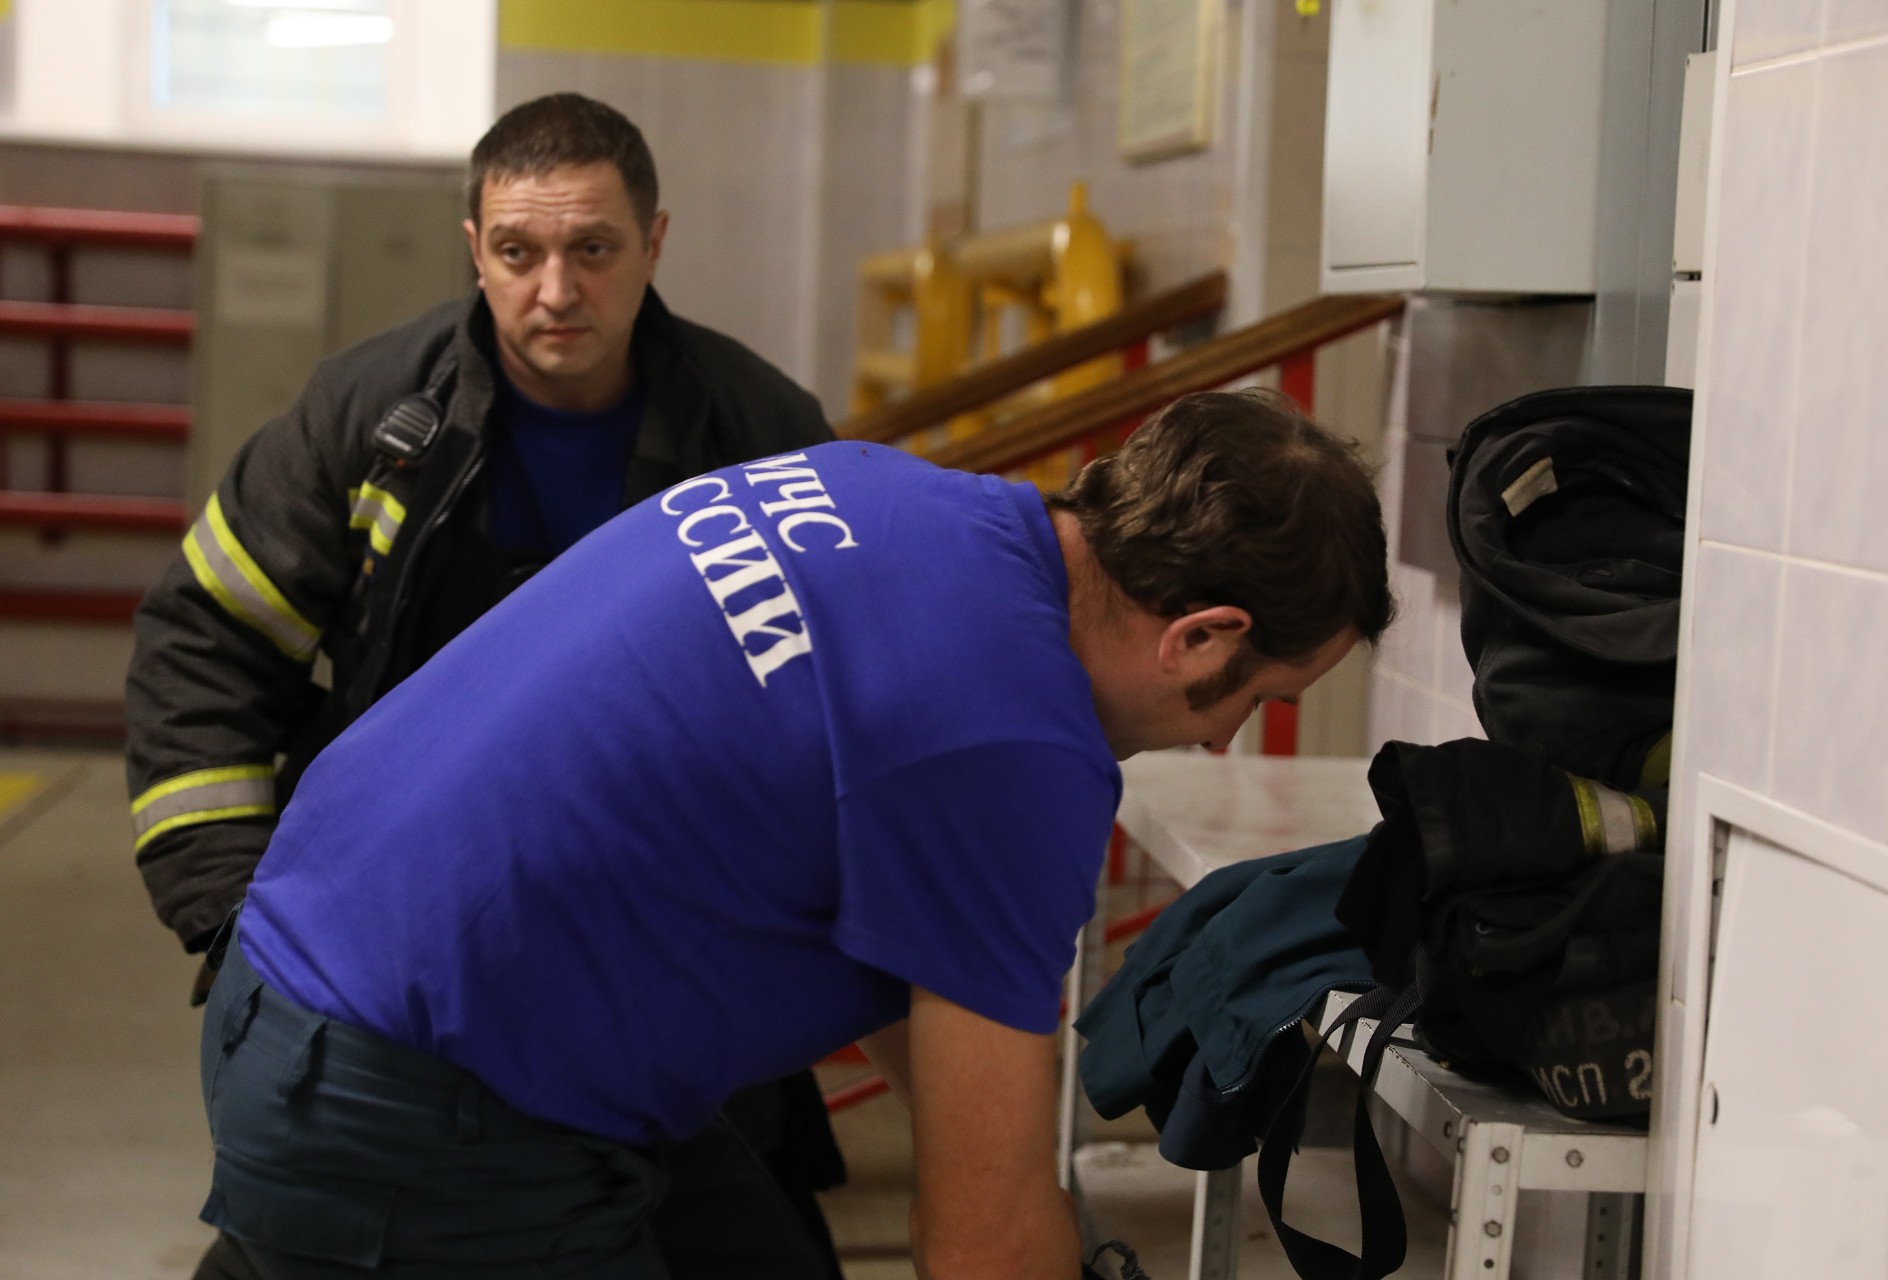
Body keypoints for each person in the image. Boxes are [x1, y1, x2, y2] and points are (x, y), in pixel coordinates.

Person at [193, 388, 1394, 1279]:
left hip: (314, 975)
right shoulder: (1018, 746)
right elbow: (976, 1247)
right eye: (1258, 696)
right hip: (402, 1099)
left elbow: (922, 973)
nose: (1224, 740)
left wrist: (1018, 1178)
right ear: (1200, 635)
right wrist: (1019, 1211)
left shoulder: (893, 493)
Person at [124, 94, 843, 1280]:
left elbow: (838, 709)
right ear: (474, 248)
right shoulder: (372, 419)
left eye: (593, 248)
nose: (556, 289)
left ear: (655, 243)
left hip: (666, 959)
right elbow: (207, 637)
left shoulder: (759, 433)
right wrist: (238, 911)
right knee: (331, 1229)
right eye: (518, 251)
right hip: (398, 944)